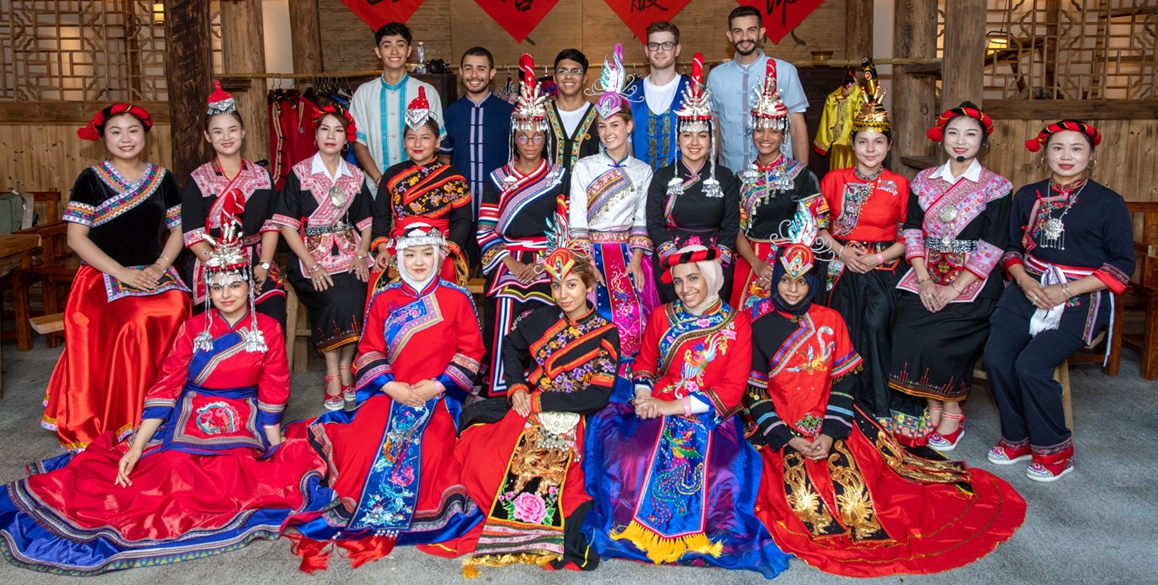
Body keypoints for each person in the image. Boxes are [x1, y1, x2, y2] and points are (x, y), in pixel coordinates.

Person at [0, 228, 329, 575]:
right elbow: (167, 387)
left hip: (242, 417)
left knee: (235, 476)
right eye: (217, 287)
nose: (227, 294)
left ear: (248, 288)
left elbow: (274, 388)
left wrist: (274, 442)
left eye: (235, 285)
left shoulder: (267, 329)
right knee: (168, 470)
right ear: (209, 291)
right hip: (191, 410)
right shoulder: (192, 327)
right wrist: (136, 446)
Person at [746, 244, 1027, 576]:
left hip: (830, 418)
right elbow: (756, 392)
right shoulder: (759, 328)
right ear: (775, 280)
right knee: (798, 498)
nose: (793, 290)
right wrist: (787, 438)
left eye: (802, 282)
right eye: (786, 280)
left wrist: (829, 430)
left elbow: (846, 380)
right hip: (782, 426)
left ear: (813, 284)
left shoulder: (831, 320)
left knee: (870, 486)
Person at [283, 221, 485, 572]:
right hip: (387, 392)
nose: (418, 261)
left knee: (434, 453)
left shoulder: (457, 298)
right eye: (410, 254)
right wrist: (391, 386)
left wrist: (435, 386)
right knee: (364, 445)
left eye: (426, 253)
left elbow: (471, 353)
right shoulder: (384, 298)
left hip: (438, 397)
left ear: (438, 256)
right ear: (398, 258)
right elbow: (369, 351)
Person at [581, 246, 789, 576]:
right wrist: (644, 396)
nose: (685, 288)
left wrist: (670, 406)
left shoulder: (737, 324)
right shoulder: (663, 315)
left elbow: (732, 390)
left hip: (712, 416)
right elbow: (646, 363)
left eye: (693, 278)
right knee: (631, 458)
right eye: (678, 282)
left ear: (710, 277)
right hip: (658, 407)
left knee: (721, 472)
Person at [428, 248, 620, 574]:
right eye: (557, 285)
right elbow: (511, 347)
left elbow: (598, 395)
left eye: (571, 285)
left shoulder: (606, 332)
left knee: (551, 485)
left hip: (570, 416)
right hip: (527, 404)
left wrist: (540, 403)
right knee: (483, 460)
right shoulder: (544, 317)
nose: (563, 294)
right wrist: (517, 386)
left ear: (589, 287)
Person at [983, 121, 1134, 482]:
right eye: (1058, 148)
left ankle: (1056, 448)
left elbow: (1122, 265)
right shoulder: (1027, 196)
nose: (1067, 156)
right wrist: (1022, 279)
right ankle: (1017, 438)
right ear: (1045, 154)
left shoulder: (1108, 202)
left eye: (1076, 148)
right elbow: (1011, 248)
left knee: (1031, 367)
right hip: (1028, 286)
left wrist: (1064, 291)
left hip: (1083, 295)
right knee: (996, 359)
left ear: (1091, 155)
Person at [42, 103, 190, 451]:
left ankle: (169, 409)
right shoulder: (90, 179)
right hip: (101, 274)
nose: (126, 139)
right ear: (103, 138)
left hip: (153, 269)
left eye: (133, 130)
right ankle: (128, 415)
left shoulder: (162, 177)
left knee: (178, 304)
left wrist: (160, 266)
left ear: (145, 135)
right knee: (136, 317)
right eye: (116, 132)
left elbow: (180, 227)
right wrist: (122, 273)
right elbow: (75, 238)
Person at [886, 104, 1012, 449]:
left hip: (973, 280)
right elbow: (911, 229)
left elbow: (994, 242)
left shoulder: (996, 187)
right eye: (954, 133)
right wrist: (925, 280)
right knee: (904, 326)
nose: (961, 141)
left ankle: (952, 410)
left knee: (941, 336)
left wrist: (954, 287)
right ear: (942, 138)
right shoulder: (924, 180)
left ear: (982, 141)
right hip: (926, 270)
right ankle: (933, 406)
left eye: (971, 134)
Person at [476, 54, 569, 397]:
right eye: (524, 136)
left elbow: (565, 228)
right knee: (505, 298)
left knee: (552, 301)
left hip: (549, 257)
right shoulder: (498, 178)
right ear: (514, 137)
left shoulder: (559, 177)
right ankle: (502, 387)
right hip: (508, 258)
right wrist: (513, 263)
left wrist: (543, 262)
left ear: (546, 137)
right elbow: (485, 230)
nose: (531, 143)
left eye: (537, 136)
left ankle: (547, 384)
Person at [272, 102, 373, 411]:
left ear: (346, 139)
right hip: (309, 255)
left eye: (338, 131)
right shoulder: (299, 174)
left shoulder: (355, 175)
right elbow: (287, 226)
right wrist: (312, 265)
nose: (331, 136)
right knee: (329, 294)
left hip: (348, 250)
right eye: (325, 130)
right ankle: (332, 371)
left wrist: (361, 254)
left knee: (362, 290)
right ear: (315, 136)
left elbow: (367, 222)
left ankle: (347, 365)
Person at [816, 91, 908, 423]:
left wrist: (877, 259)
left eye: (878, 142)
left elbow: (907, 237)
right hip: (840, 262)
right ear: (852, 145)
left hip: (884, 264)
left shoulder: (899, 184)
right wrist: (842, 251)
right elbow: (817, 228)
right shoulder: (833, 179)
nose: (871, 149)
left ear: (888, 146)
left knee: (875, 323)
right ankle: (839, 404)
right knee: (839, 325)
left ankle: (877, 403)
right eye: (863, 142)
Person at [569, 44, 658, 390]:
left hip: (627, 254)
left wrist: (636, 260)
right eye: (602, 126)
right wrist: (585, 263)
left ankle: (632, 380)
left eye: (615, 125)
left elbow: (640, 220)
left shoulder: (642, 170)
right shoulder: (584, 167)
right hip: (590, 253)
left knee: (632, 315)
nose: (608, 133)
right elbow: (577, 220)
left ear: (629, 125)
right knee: (590, 316)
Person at [182, 81, 286, 332]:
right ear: (207, 136)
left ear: (243, 132)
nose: (226, 137)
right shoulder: (198, 179)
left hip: (257, 259)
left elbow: (271, 225)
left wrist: (262, 266)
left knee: (272, 309)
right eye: (217, 132)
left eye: (232, 129)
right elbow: (193, 235)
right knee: (216, 318)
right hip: (212, 262)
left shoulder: (262, 176)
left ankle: (268, 370)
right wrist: (226, 270)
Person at [732, 70, 828, 318]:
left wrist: (782, 270)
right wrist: (756, 263)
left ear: (784, 135)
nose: (766, 137)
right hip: (752, 263)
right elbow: (736, 228)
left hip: (793, 266)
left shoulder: (802, 176)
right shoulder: (741, 178)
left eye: (774, 131)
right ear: (752, 133)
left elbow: (812, 227)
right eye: (760, 130)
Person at [646, 53, 739, 304]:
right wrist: (674, 258)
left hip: (715, 259)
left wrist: (716, 257)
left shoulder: (725, 176)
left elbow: (731, 225)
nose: (694, 143)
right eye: (687, 135)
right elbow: (654, 223)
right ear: (678, 139)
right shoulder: (662, 177)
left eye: (702, 136)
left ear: (711, 140)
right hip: (673, 260)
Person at [370, 86, 473, 291]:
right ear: (404, 142)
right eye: (411, 137)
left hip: (441, 247)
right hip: (398, 246)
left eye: (425, 137)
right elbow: (381, 217)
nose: (417, 143)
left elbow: (463, 220)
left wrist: (443, 253)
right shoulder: (392, 174)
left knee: (446, 273)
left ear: (437, 142)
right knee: (382, 275)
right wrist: (382, 248)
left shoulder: (453, 177)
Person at [350, 21, 447, 195]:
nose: (394, 52)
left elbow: (435, 142)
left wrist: (420, 181)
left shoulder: (426, 92)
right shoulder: (363, 93)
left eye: (400, 45)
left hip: (420, 188)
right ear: (378, 52)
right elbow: (358, 142)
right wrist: (380, 180)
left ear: (409, 50)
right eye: (387, 46)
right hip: (375, 189)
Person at [708, 6, 809, 171]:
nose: (745, 37)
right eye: (738, 31)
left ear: (761, 32)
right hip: (731, 174)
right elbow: (715, 127)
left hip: (777, 174)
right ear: (729, 35)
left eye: (751, 30)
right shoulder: (716, 76)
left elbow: (797, 127)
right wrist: (710, 172)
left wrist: (803, 176)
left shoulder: (784, 71)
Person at [441, 47, 514, 269]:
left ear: (492, 73)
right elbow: (444, 161)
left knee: (497, 272)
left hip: (500, 211)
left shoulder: (509, 112)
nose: (474, 75)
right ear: (461, 73)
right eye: (469, 69)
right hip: (461, 213)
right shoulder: (451, 113)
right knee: (462, 272)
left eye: (481, 69)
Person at [625, 21, 690, 170]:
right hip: (641, 184)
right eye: (654, 45)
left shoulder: (693, 90)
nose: (660, 51)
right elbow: (625, 143)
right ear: (647, 50)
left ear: (677, 49)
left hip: (682, 183)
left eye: (667, 45)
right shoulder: (631, 93)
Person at [546, 48, 600, 176]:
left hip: (587, 193)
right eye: (562, 71)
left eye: (576, 72)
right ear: (554, 78)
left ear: (585, 78)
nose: (569, 76)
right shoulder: (541, 114)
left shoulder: (599, 115)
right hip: (547, 193)